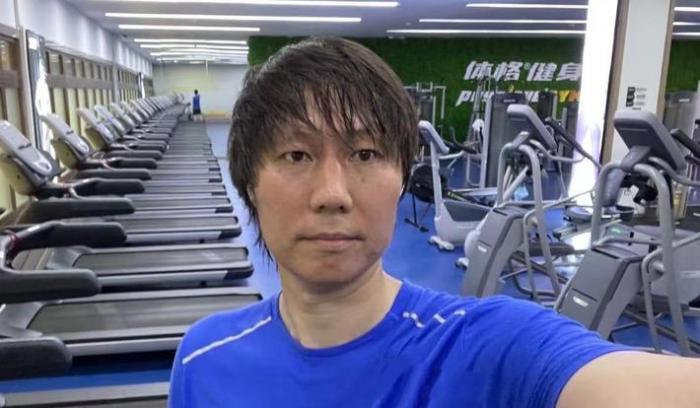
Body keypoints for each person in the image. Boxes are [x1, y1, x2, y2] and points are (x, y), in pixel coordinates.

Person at [169, 37, 700, 407]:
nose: (332, 194)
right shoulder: (204, 359)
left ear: (402, 177)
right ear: (250, 183)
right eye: (296, 156)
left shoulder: (490, 349)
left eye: (364, 154)